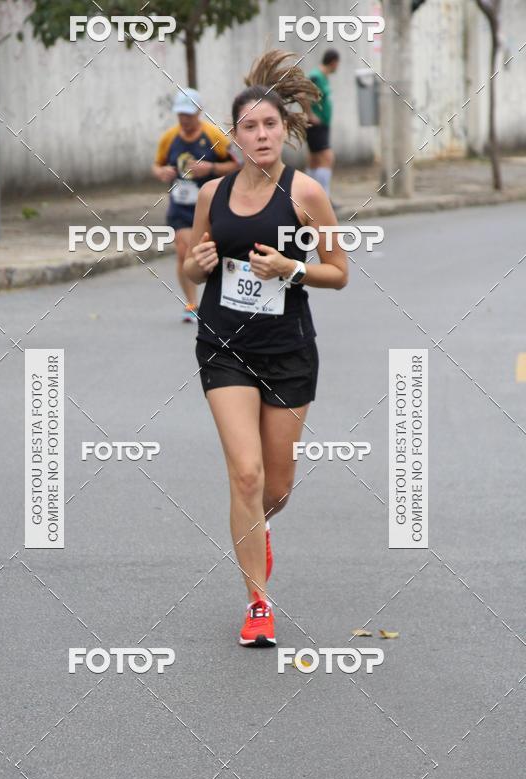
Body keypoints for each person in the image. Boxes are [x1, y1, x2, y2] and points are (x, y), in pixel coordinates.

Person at [183, 51, 348, 647]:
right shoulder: (212, 197)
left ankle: (254, 528)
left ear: (285, 130)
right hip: (223, 345)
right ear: (234, 135)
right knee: (246, 475)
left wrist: (290, 267)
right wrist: (198, 266)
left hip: (288, 352)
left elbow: (339, 271)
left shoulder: (306, 196)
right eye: (248, 126)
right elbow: (195, 266)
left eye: (270, 125)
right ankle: (257, 602)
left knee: (276, 488)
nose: (260, 135)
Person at [152, 88, 240, 322]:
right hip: (180, 207)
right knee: (184, 251)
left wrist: (210, 169)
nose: (185, 119)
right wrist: (162, 172)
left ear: (199, 112)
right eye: (181, 114)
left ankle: (225, 300)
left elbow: (237, 166)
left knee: (216, 253)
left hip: (212, 205)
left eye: (189, 114)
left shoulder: (214, 137)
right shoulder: (169, 138)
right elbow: (157, 165)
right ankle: (192, 303)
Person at [306, 49, 340, 199]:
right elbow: (303, 94)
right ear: (333, 62)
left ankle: (310, 196)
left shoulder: (323, 77)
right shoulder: (316, 76)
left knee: (315, 160)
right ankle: (324, 198)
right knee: (327, 157)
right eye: (337, 63)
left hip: (322, 125)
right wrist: (310, 114)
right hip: (316, 125)